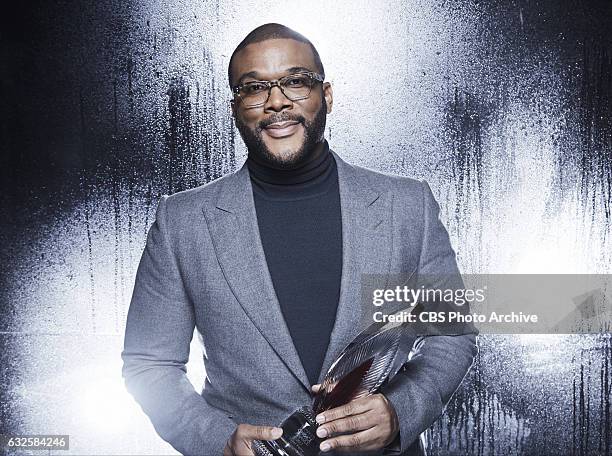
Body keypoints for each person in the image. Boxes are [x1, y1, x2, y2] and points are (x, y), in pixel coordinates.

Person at [121, 23, 477, 456]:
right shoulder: (182, 221)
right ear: (237, 106)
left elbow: (452, 333)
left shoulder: (407, 205)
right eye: (254, 87)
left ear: (325, 96)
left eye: (295, 81)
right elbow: (150, 364)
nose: (276, 102)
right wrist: (218, 441)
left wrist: (400, 411)